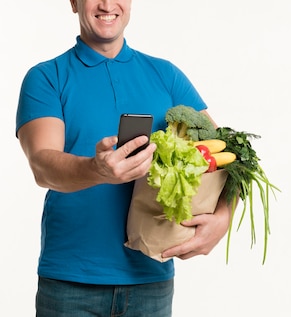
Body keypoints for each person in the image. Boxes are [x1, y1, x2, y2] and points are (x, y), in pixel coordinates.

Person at [15, 0, 232, 315]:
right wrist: (97, 169)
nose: (106, 4)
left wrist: (223, 216)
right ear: (74, 3)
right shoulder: (47, 77)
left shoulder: (166, 75)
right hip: (70, 283)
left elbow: (227, 157)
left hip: (151, 281)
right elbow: (43, 165)